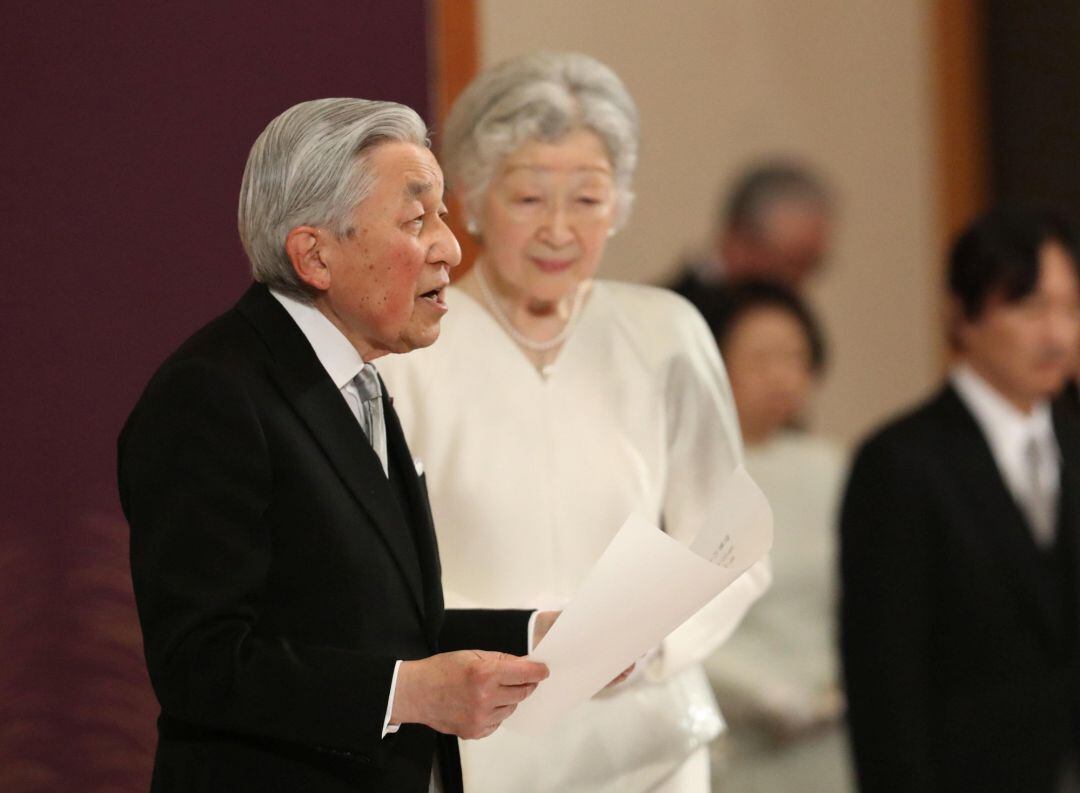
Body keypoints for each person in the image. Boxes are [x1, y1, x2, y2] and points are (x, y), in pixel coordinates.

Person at [117, 98, 556, 793]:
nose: (450, 247)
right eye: (418, 220)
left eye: (441, 214)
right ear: (315, 255)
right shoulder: (210, 394)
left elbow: (377, 621)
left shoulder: (358, 378)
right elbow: (200, 662)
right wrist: (410, 693)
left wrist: (537, 635)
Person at [377, 52, 770, 793]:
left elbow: (733, 541)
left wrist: (649, 648)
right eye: (528, 199)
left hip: (649, 737)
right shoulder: (411, 347)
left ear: (619, 203)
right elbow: (383, 572)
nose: (558, 230)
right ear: (471, 197)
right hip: (479, 740)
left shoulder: (666, 334)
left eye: (587, 200)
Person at [840, 206, 1080, 793]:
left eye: (1070, 308)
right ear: (963, 317)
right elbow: (884, 681)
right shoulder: (900, 462)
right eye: (1028, 308)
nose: (1056, 334)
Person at [701, 281, 852, 793]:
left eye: (796, 357)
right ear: (716, 363)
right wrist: (762, 693)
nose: (782, 375)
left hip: (830, 727)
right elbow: (673, 620)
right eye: (761, 358)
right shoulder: (694, 474)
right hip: (737, 737)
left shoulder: (829, 467)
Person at [669, 162, 832, 324]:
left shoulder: (788, 316)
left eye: (811, 266)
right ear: (738, 239)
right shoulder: (672, 316)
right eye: (789, 264)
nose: (797, 283)